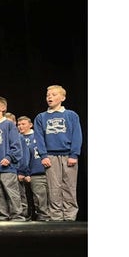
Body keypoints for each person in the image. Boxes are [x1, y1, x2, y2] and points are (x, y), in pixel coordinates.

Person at [34, 84, 83, 221]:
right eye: (48, 95)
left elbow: (77, 135)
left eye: (54, 95)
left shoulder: (71, 115)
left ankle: (70, 216)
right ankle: (56, 217)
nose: (50, 97)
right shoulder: (41, 117)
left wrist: (74, 154)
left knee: (69, 187)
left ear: (62, 98)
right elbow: (39, 138)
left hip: (68, 155)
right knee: (53, 188)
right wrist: (43, 155)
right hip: (50, 156)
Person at [17, 115, 50, 221]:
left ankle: (46, 217)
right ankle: (29, 216)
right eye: (19, 124)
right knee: (26, 197)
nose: (20, 126)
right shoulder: (17, 138)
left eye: (23, 124)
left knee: (42, 196)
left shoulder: (37, 136)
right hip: (23, 173)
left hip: (38, 171)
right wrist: (25, 172)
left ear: (30, 125)